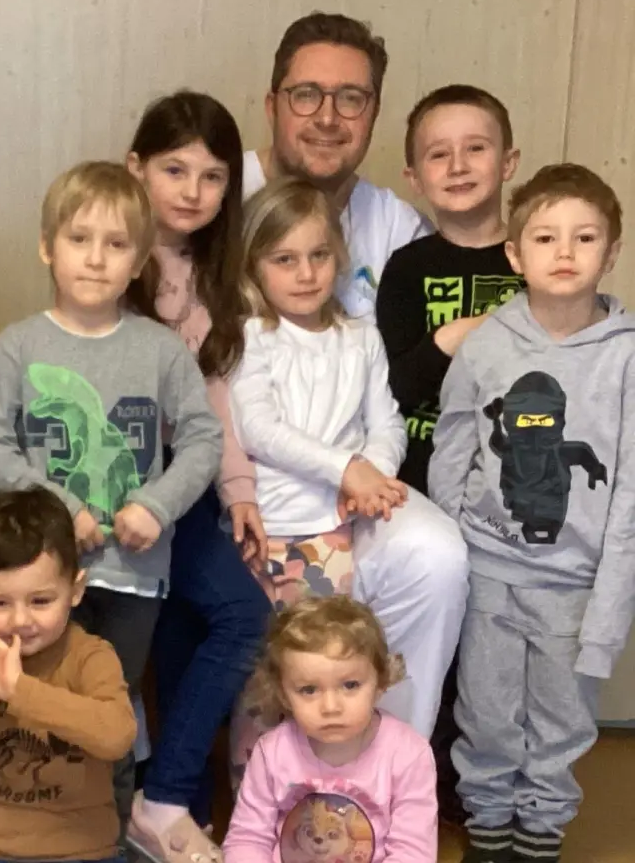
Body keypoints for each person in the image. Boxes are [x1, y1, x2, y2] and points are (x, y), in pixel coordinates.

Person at [0, 160, 223, 831]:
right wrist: (61, 510)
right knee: (31, 698)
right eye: (80, 239)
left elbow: (202, 440)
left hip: (131, 575)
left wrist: (158, 504)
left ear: (140, 260)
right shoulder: (17, 348)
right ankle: (24, 826)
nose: (95, 259)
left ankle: (102, 833)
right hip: (38, 577)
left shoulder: (162, 350)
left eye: (115, 246)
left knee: (109, 707)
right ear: (48, 246)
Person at [429, 164, 635, 863]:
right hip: (487, 567)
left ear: (611, 251)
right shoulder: (489, 342)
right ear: (516, 254)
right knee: (484, 709)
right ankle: (487, 823)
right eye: (545, 237)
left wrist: (609, 607)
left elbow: (628, 493)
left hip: (573, 583)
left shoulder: (626, 358)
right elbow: (455, 444)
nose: (565, 252)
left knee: (559, 718)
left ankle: (539, 831)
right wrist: (451, 554)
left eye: (585, 237)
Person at [228, 178, 466, 742]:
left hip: (334, 532)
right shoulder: (251, 335)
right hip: (274, 535)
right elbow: (259, 430)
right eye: (285, 259)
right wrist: (345, 468)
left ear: (340, 257)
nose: (306, 272)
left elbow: (386, 421)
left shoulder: (359, 336)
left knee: (329, 675)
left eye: (319, 255)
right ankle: (259, 807)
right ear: (254, 266)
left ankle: (333, 803)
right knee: (268, 684)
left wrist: (373, 478)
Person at [121, 92, 274, 860]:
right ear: (135, 167)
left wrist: (237, 491)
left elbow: (215, 396)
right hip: (120, 494)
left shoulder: (211, 277)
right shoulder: (110, 252)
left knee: (205, 623)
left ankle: (176, 803)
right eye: (174, 169)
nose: (191, 191)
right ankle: (165, 797)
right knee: (240, 614)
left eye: (212, 177)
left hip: (187, 494)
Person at [375, 84, 523, 826]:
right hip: (425, 480)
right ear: (414, 177)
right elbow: (392, 385)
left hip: (519, 485)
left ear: (509, 162)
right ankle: (421, 773)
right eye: (439, 153)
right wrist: (455, 337)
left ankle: (491, 783)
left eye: (477, 148)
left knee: (500, 638)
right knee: (436, 627)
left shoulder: (539, 257)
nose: (458, 164)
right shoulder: (407, 269)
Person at [0, 488, 136, 863]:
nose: (20, 621)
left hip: (84, 854)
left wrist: (21, 691)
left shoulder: (91, 657)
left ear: (76, 589)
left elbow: (118, 737)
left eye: (40, 601)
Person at [242, 12, 430, 322]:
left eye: (351, 99)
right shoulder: (215, 198)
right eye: (305, 95)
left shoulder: (403, 234)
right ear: (271, 107)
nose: (327, 119)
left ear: (374, 114)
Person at [221, 596, 437, 862]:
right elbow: (248, 840)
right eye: (309, 690)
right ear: (285, 695)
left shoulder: (408, 754)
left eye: (350, 685)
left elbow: (413, 853)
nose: (330, 706)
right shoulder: (272, 751)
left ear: (380, 683)